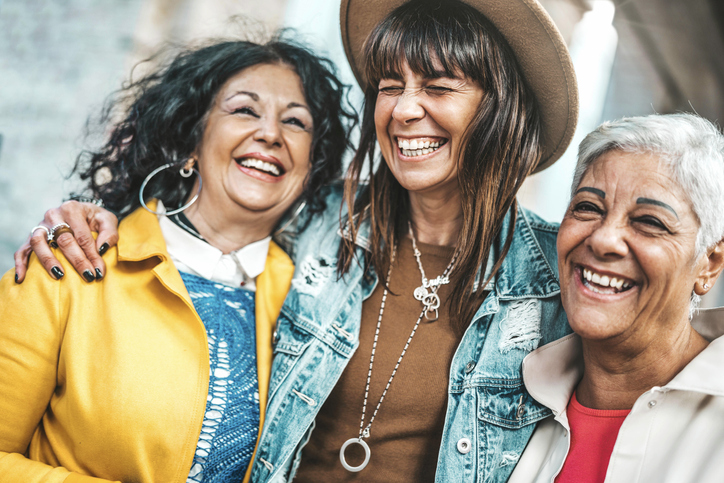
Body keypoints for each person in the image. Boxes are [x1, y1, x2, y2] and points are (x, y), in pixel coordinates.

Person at [14, 0, 579, 481]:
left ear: (502, 110)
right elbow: (213, 212)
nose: (405, 110)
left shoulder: (557, 283)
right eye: (389, 87)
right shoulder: (315, 226)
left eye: (437, 87)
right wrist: (90, 219)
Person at [0, 37, 354, 482]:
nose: (271, 133)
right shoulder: (70, 261)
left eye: (296, 122)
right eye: (245, 110)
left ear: (311, 168)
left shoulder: (312, 306)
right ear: (191, 140)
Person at [508, 113, 724, 483]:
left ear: (709, 263)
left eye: (650, 221)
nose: (603, 239)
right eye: (588, 208)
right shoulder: (511, 398)